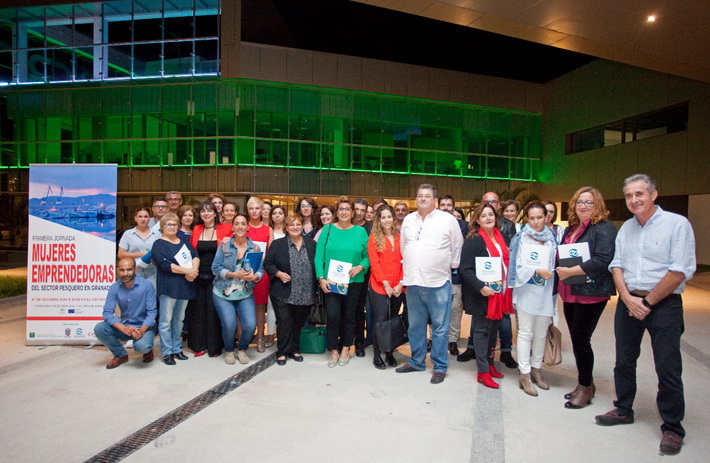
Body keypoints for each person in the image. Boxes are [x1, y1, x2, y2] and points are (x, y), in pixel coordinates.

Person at [595, 174, 696, 456]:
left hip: (664, 305)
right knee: (624, 360)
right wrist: (627, 298)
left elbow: (678, 271)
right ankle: (623, 409)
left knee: (667, 366)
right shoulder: (627, 227)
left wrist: (647, 302)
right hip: (630, 302)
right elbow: (616, 265)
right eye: (628, 195)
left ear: (653, 194)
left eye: (639, 194)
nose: (634, 200)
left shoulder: (677, 225)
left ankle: (673, 428)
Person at [555, 187, 617, 409]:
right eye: (579, 202)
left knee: (582, 339)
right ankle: (585, 383)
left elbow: (603, 259)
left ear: (597, 205)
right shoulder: (571, 229)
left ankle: (585, 388)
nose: (583, 206)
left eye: (588, 202)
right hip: (571, 291)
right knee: (576, 339)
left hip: (591, 293)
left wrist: (572, 271)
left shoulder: (604, 229)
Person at [397, 184, 463, 384]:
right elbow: (404, 248)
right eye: (419, 196)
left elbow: (457, 246)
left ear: (434, 200)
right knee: (415, 326)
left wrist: (446, 265)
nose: (423, 199)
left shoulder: (448, 220)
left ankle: (440, 365)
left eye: (427, 196)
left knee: (440, 328)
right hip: (414, 284)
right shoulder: (408, 220)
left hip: (438, 283)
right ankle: (416, 361)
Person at [459, 191, 517, 368]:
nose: (488, 218)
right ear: (477, 220)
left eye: (490, 214)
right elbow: (465, 269)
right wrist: (481, 287)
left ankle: (490, 365)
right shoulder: (473, 240)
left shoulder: (501, 238)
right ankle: (483, 371)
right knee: (482, 331)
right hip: (482, 295)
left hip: (499, 293)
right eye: (483, 216)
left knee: (493, 332)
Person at [508, 202, 557, 396]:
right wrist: (536, 270)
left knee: (541, 334)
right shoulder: (521, 238)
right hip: (527, 290)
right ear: (527, 218)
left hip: (546, 291)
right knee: (525, 333)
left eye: (540, 217)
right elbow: (516, 265)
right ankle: (525, 374)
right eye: (532, 218)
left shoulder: (552, 238)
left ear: (546, 217)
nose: (536, 222)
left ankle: (537, 370)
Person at [314, 196, 370, 368]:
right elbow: (318, 257)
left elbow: (368, 257)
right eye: (341, 209)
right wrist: (321, 278)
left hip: (354, 282)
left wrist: (361, 267)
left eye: (347, 209)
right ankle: (334, 350)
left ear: (353, 212)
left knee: (349, 316)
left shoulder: (360, 232)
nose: (344, 212)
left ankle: (346, 347)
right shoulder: (328, 229)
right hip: (331, 282)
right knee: (333, 316)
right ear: (337, 212)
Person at [264, 213, 317, 366]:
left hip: (305, 292)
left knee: (298, 322)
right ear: (287, 227)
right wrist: (278, 273)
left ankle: (294, 349)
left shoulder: (311, 244)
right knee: (284, 321)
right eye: (291, 225)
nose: (295, 227)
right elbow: (267, 264)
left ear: (302, 226)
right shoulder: (278, 244)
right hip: (283, 291)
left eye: (298, 225)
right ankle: (282, 352)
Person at [212, 213, 264, 365]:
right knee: (229, 324)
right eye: (237, 224)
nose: (240, 226)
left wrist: (255, 277)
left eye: (243, 224)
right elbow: (215, 268)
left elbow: (260, 268)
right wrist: (234, 274)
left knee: (250, 325)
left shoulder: (254, 248)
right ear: (233, 227)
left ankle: (241, 349)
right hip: (223, 293)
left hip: (245, 293)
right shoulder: (224, 245)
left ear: (248, 227)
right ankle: (229, 350)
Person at [151, 213, 200, 365]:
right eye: (168, 225)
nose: (172, 227)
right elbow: (165, 265)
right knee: (166, 321)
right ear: (162, 227)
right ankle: (167, 352)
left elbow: (195, 255)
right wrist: (188, 272)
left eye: (174, 224)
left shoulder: (183, 242)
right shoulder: (159, 244)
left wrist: (194, 269)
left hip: (184, 286)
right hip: (168, 287)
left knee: (179, 320)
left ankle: (177, 349)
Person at [94, 257, 157, 369]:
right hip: (125, 327)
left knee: (142, 346)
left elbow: (152, 312)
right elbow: (107, 313)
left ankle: (147, 349)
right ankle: (121, 355)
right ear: (118, 270)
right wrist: (123, 328)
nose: (125, 273)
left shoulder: (146, 285)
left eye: (129, 270)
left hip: (144, 327)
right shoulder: (114, 287)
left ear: (135, 269)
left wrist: (141, 331)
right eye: (122, 270)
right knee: (100, 328)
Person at [187, 201, 232, 358]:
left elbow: (231, 249)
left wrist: (229, 240)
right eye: (203, 211)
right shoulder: (196, 229)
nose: (206, 214)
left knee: (214, 312)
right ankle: (199, 345)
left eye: (209, 211)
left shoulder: (225, 229)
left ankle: (215, 347)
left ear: (215, 213)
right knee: (198, 312)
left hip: (217, 277)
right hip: (198, 276)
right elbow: (192, 252)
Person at [367, 205, 405, 370]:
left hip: (398, 287)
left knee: (393, 320)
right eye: (383, 217)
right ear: (378, 220)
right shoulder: (374, 239)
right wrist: (386, 284)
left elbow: (406, 261)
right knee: (381, 322)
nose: (387, 220)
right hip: (380, 286)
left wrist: (400, 283)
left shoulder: (400, 238)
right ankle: (377, 355)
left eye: (389, 216)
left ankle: (389, 352)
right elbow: (375, 265)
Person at [439, 194, 468, 357]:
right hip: (436, 274)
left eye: (449, 205)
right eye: (442, 204)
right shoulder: (432, 224)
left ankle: (453, 340)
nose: (445, 207)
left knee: (455, 308)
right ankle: (435, 339)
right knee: (435, 308)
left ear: (453, 206)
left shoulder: (464, 226)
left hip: (456, 275)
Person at [246, 196, 275, 353]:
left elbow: (270, 255)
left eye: (257, 208)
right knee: (243, 304)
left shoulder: (267, 229)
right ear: (248, 210)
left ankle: (260, 338)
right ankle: (244, 336)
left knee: (259, 306)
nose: (255, 211)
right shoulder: (243, 227)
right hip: (243, 272)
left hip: (261, 273)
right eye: (252, 208)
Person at [118, 206, 160, 289]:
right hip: (134, 270)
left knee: (151, 294)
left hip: (152, 270)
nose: (143, 219)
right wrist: (142, 254)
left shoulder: (157, 234)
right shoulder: (128, 234)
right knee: (135, 295)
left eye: (146, 216)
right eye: (140, 216)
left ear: (149, 219)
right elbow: (121, 254)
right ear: (135, 218)